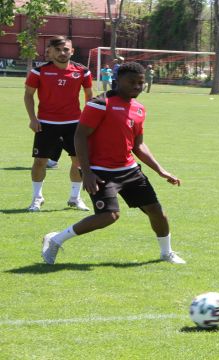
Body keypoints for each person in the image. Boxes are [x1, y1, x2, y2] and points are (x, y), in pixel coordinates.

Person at [41, 62, 186, 265]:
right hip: (100, 172)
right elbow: (80, 136)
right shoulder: (100, 103)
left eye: (140, 83)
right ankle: (55, 239)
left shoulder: (139, 109)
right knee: (109, 216)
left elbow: (138, 146)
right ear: (118, 81)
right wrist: (87, 172)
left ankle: (166, 253)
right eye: (132, 82)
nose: (137, 86)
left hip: (129, 170)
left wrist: (162, 171)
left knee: (157, 211)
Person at [24, 36, 93, 212]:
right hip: (46, 123)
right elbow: (28, 95)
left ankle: (75, 198)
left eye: (66, 49)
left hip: (74, 124)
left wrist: (89, 121)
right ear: (50, 51)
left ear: (72, 51)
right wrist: (33, 119)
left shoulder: (82, 71)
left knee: (78, 162)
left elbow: (89, 97)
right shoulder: (39, 72)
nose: (62, 53)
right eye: (58, 50)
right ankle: (37, 198)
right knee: (40, 161)